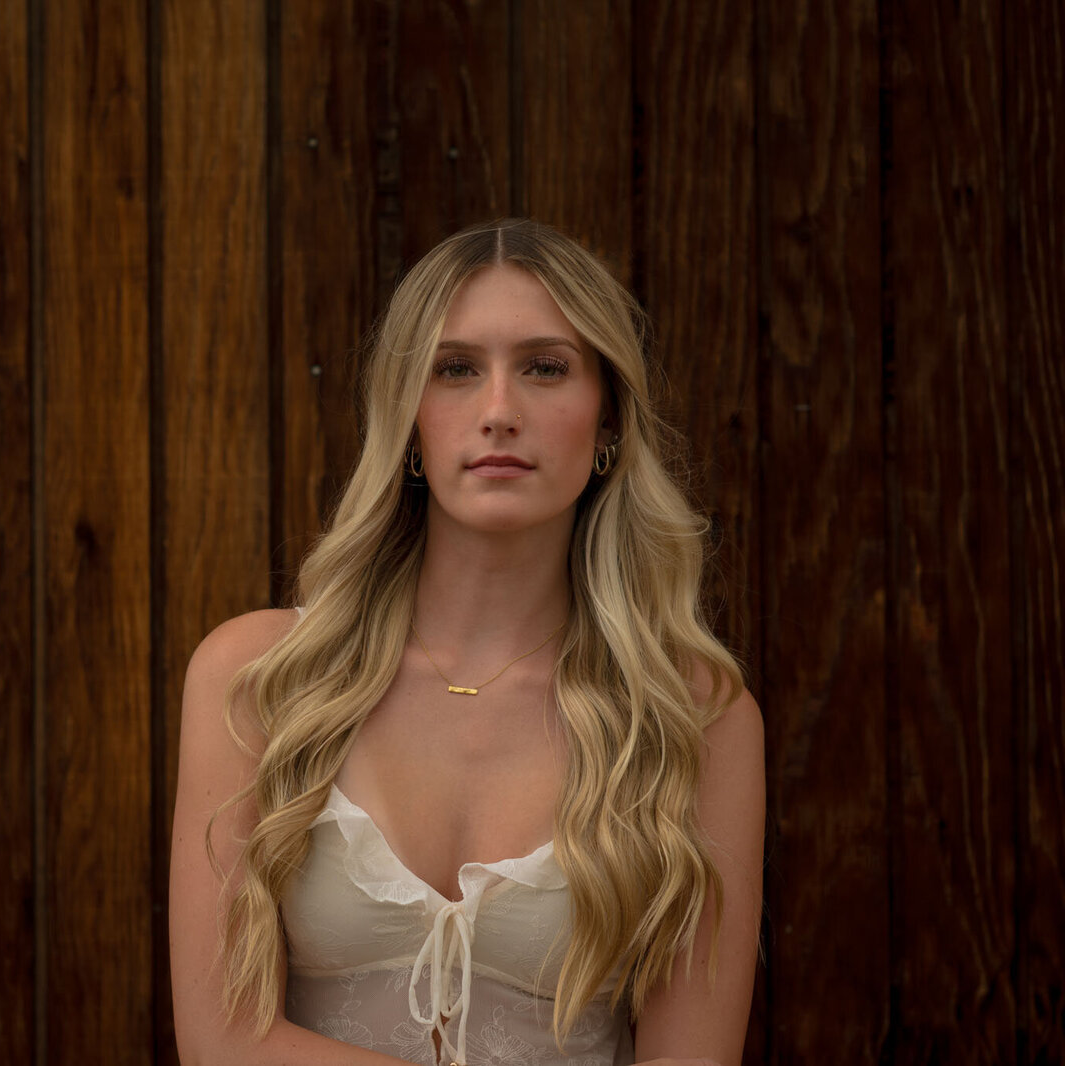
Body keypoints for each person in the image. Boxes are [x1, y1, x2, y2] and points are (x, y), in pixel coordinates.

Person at [169, 218, 764, 1066]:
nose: (497, 411)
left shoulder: (695, 714)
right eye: (455, 370)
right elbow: (220, 1045)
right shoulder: (257, 678)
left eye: (545, 368)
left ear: (608, 428)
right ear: (410, 425)